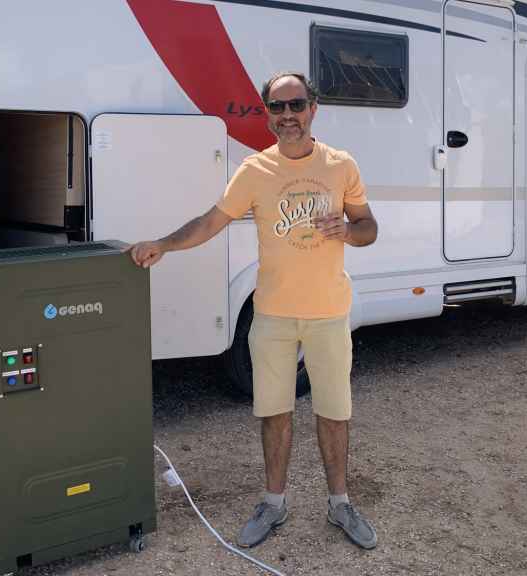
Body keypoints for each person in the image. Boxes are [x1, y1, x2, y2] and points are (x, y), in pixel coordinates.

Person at [128, 71, 378, 550]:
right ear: (267, 115)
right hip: (273, 317)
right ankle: (273, 503)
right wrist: (164, 244)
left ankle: (341, 504)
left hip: (329, 314)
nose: (288, 115)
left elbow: (368, 225)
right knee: (274, 412)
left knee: (334, 413)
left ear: (313, 109)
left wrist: (348, 231)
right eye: (277, 107)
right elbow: (211, 222)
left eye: (296, 105)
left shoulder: (340, 165)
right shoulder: (255, 170)